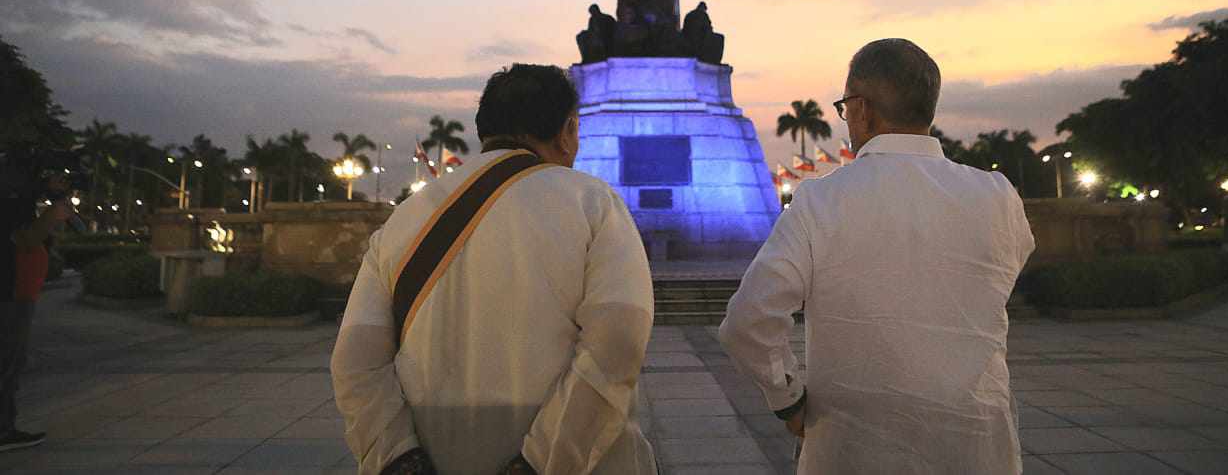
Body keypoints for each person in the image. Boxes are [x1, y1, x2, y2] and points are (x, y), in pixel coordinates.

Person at [719, 38, 1035, 474]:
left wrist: (787, 399)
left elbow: (747, 321)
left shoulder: (821, 202)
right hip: (975, 445)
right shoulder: (997, 196)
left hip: (853, 448)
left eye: (845, 107)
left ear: (861, 109)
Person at [332, 63, 656, 475]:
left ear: (485, 130)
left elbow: (356, 360)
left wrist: (398, 458)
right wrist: (538, 463)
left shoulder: (406, 217)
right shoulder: (593, 202)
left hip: (434, 452)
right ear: (567, 131)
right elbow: (618, 341)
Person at [2, 172, 73, 453]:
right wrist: (53, 214)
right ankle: (3, 430)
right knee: (8, 362)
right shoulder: (10, 200)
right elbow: (24, 239)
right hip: (11, 292)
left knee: (11, 361)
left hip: (18, 292)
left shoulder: (17, 197)